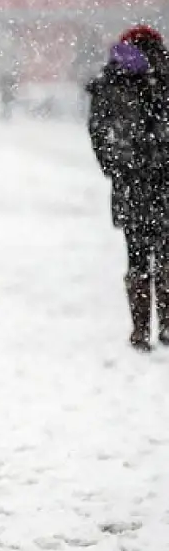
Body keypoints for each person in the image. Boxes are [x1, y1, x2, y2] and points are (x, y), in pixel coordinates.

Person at [87, 25, 169, 351]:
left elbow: (98, 133)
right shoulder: (162, 78)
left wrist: (116, 167)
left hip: (131, 185)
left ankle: (140, 330)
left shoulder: (112, 82)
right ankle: (166, 323)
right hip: (163, 181)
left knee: (136, 256)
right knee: (165, 253)